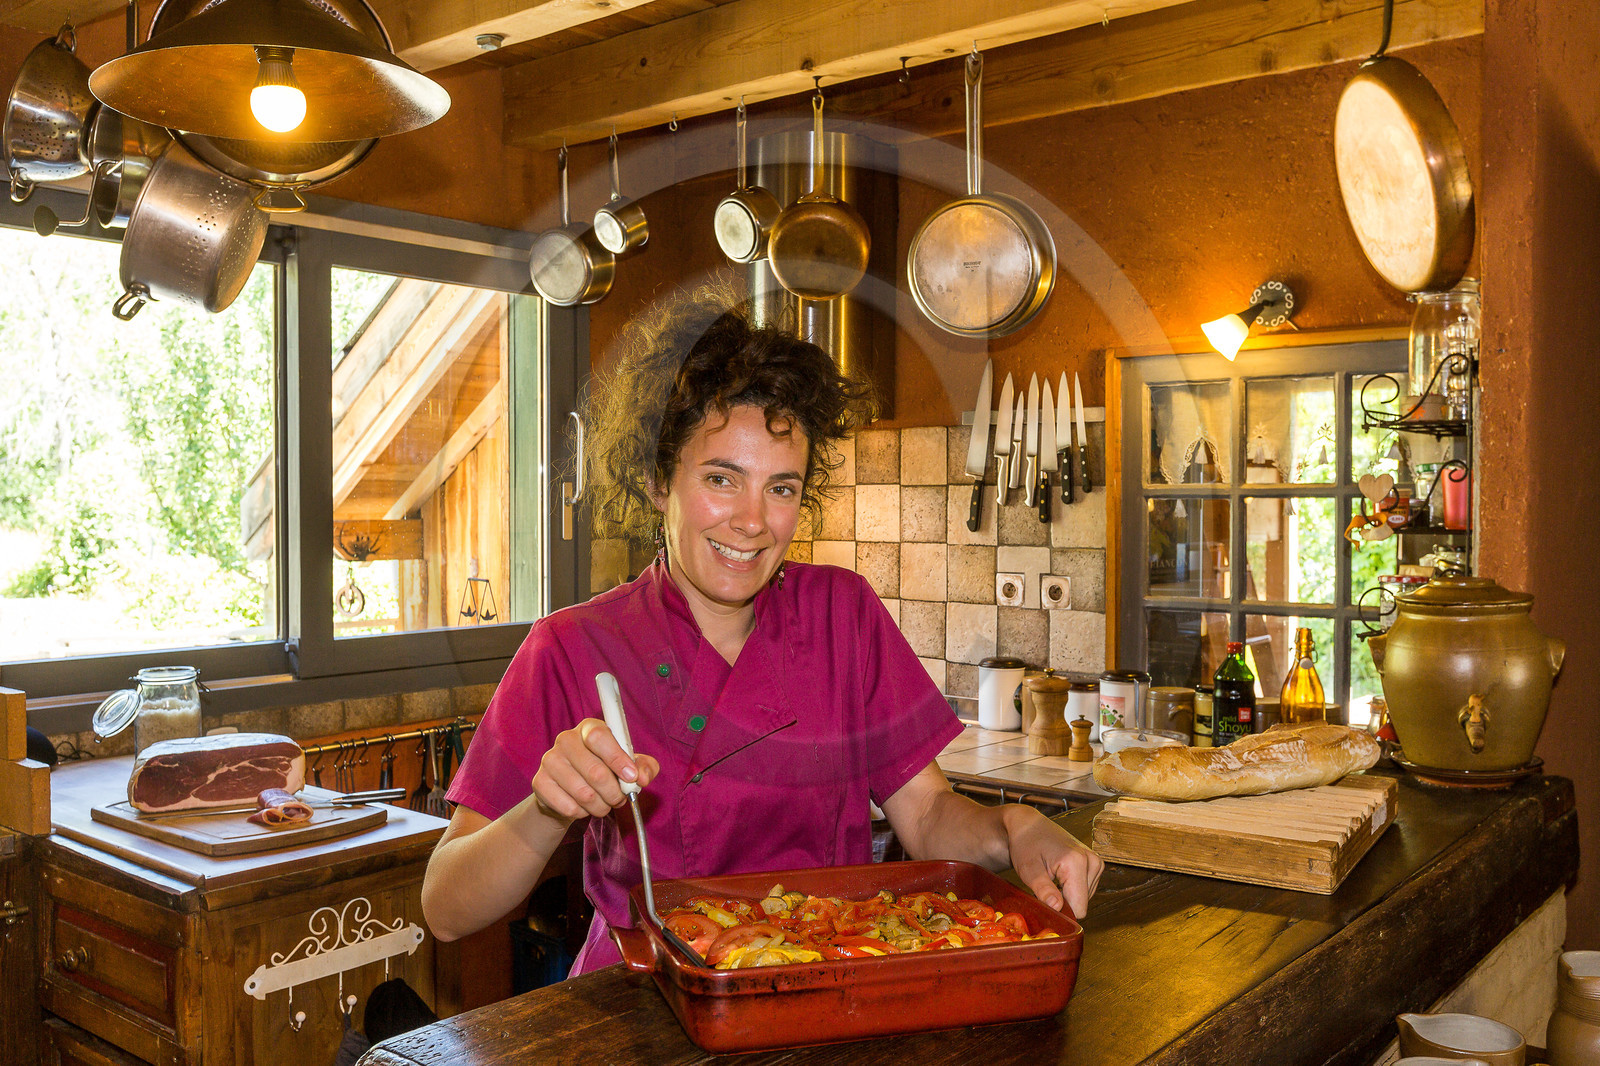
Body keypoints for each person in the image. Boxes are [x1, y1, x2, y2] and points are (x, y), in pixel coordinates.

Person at [421, 287, 1102, 973]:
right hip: (645, 1000)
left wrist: (1011, 826)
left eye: (781, 488)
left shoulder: (845, 613)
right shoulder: (572, 645)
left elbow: (926, 815)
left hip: (826, 976)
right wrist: (545, 809)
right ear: (660, 481)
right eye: (723, 478)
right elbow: (447, 909)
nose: (753, 520)